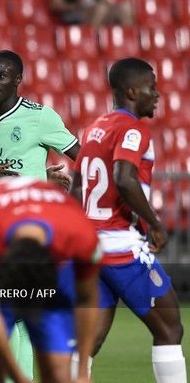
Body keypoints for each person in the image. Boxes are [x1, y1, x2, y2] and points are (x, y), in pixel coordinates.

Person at [71, 57, 186, 382]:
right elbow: (124, 179)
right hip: (120, 244)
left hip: (91, 246)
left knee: (89, 342)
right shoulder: (132, 129)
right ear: (133, 91)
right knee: (170, 327)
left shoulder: (95, 128)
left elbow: (79, 184)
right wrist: (155, 223)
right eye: (152, 86)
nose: (158, 94)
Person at [0, 49, 79, 380]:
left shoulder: (41, 117)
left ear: (17, 80)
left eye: (0, 75)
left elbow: (83, 157)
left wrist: (70, 198)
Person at [0, 176, 101, 383]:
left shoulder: (80, 235)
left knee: (60, 375)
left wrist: (81, 373)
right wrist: (18, 377)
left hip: (48, 272)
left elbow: (87, 300)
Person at [48, 0, 134, 27]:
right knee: (101, 9)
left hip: (96, 8)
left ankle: (128, 48)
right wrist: (76, 5)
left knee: (125, 7)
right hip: (74, 11)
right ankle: (91, 44)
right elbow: (55, 5)